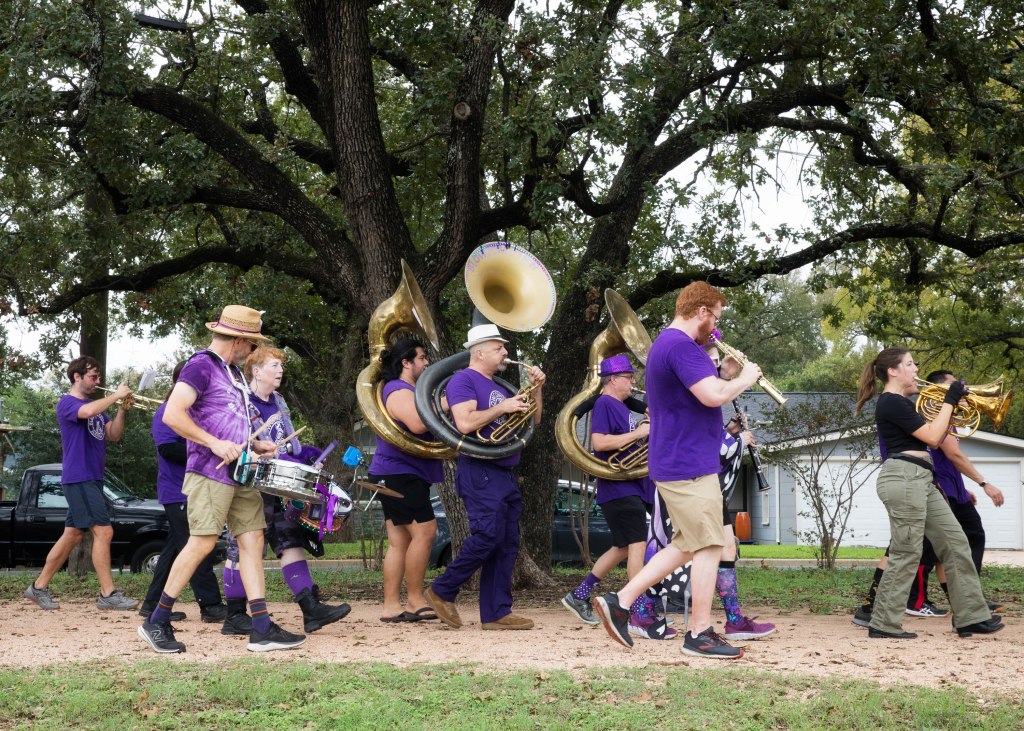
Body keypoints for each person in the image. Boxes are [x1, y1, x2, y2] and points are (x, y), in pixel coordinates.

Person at [594, 281, 761, 659]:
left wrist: (724, 371)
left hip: (679, 460)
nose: (716, 325)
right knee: (710, 543)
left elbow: (699, 393)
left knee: (687, 543)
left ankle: (621, 601)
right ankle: (699, 633)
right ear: (702, 312)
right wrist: (743, 379)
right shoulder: (682, 346)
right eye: (715, 317)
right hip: (688, 463)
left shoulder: (670, 347)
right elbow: (713, 395)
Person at [137, 305, 306, 654]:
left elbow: (229, 421)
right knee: (201, 542)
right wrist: (213, 443)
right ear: (240, 339)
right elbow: (172, 413)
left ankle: (261, 626)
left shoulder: (232, 373)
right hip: (209, 472)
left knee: (252, 539)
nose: (254, 350)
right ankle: (156, 620)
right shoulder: (200, 365)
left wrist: (256, 444)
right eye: (252, 342)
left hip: (241, 470)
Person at [854, 347, 1002, 639]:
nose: (916, 371)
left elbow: (935, 438)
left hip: (921, 477)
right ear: (893, 371)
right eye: (910, 364)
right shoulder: (890, 403)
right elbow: (935, 438)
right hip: (903, 477)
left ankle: (970, 616)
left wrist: (951, 404)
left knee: (956, 541)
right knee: (907, 551)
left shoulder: (905, 404)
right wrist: (949, 400)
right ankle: (882, 623)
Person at [219, 345, 350, 635]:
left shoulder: (278, 400)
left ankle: (310, 609)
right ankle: (235, 615)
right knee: (242, 546)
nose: (280, 370)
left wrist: (305, 455)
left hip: (281, 486)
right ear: (257, 371)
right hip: (251, 483)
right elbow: (259, 445)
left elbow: (289, 444)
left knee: (290, 540)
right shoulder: (243, 402)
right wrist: (289, 458)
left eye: (281, 365)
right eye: (274, 365)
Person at [424, 323, 545, 630]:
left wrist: (537, 389)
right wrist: (502, 407)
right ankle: (442, 590)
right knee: (488, 536)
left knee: (507, 542)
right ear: (479, 352)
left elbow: (535, 418)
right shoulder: (463, 380)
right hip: (479, 469)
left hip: (504, 471)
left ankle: (496, 613)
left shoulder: (502, 386)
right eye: (498, 348)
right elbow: (464, 423)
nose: (505, 352)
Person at [560, 354, 674, 640]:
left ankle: (579, 595)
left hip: (629, 487)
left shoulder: (622, 407)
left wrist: (648, 428)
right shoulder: (605, 403)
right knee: (636, 546)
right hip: (619, 487)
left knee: (622, 547)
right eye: (629, 378)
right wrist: (639, 435)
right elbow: (600, 442)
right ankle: (637, 612)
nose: (633, 383)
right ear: (613, 379)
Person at [24, 357, 139, 611]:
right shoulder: (68, 403)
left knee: (73, 534)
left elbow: (113, 435)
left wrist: (121, 409)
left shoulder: (96, 406)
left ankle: (38, 587)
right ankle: (108, 594)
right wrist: (116, 394)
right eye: (93, 377)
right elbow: (86, 413)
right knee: (104, 531)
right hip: (80, 476)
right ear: (77, 377)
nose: (98, 382)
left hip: (93, 477)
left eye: (98, 378)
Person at [139, 361, 227, 623]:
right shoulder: (167, 412)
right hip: (177, 491)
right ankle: (210, 606)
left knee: (174, 550)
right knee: (198, 547)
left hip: (191, 491)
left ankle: (152, 605)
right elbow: (166, 448)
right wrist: (207, 449)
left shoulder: (195, 413)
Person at [367, 335, 443, 623]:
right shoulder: (398, 390)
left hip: (397, 473)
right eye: (422, 358)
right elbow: (418, 423)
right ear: (406, 362)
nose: (427, 363)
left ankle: (390, 606)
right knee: (425, 532)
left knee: (399, 541)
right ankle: (413, 600)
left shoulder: (410, 390)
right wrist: (452, 403)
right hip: (400, 473)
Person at [706, 340, 776, 641]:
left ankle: (734, 620)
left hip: (711, 487)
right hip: (697, 482)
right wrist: (738, 442)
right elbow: (711, 449)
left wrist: (731, 432)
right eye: (713, 358)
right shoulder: (697, 380)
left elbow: (711, 437)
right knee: (678, 552)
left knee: (726, 547)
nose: (716, 362)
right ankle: (636, 604)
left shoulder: (709, 387)